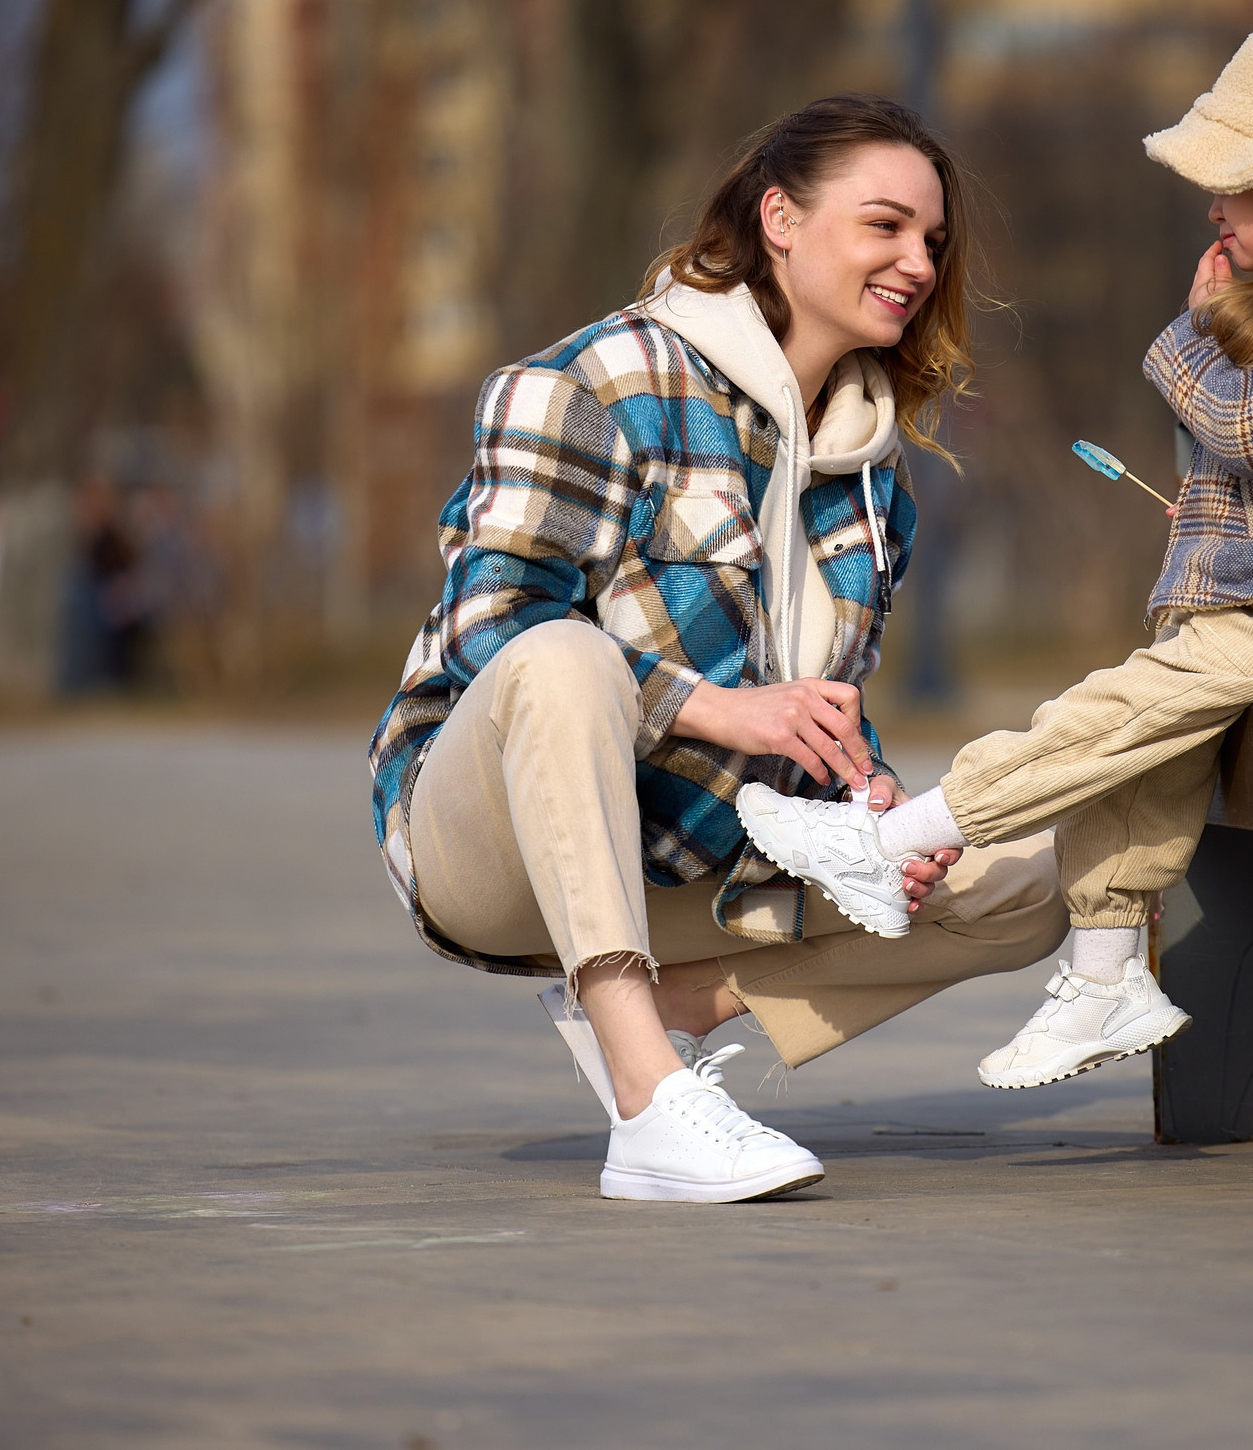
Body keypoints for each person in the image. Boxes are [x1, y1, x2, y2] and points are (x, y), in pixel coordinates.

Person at [742, 27, 1253, 1088]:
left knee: (1117, 714)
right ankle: (1105, 977)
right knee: (1139, 748)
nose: (1211, 208)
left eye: (1232, 187)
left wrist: (1197, 331)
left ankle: (902, 837)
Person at [367, 95, 1068, 1204]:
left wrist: (865, 790)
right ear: (780, 220)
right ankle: (648, 1102)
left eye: (932, 240)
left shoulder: (874, 477)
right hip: (490, 841)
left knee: (1027, 877)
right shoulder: (592, 382)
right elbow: (486, 631)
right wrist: (717, 710)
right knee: (563, 655)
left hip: (695, 854)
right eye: (884, 226)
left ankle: (664, 1012)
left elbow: (813, 702)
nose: (918, 261)